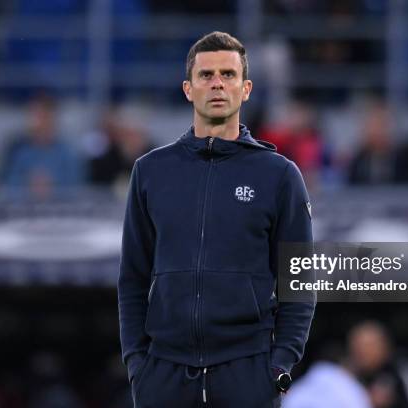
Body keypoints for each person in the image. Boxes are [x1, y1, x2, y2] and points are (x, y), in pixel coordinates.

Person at [118, 31, 316, 407]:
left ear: (246, 88)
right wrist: (138, 365)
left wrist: (279, 366)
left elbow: (300, 283)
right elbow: (132, 279)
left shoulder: (279, 175)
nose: (217, 84)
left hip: (248, 373)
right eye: (206, 75)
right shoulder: (150, 172)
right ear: (188, 89)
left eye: (228, 74)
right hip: (163, 374)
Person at [0, 93, 83, 197]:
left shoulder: (68, 153)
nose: (34, 121)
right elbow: (8, 190)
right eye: (32, 116)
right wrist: (29, 186)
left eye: (40, 116)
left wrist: (52, 188)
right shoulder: (19, 152)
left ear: (52, 118)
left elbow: (77, 191)